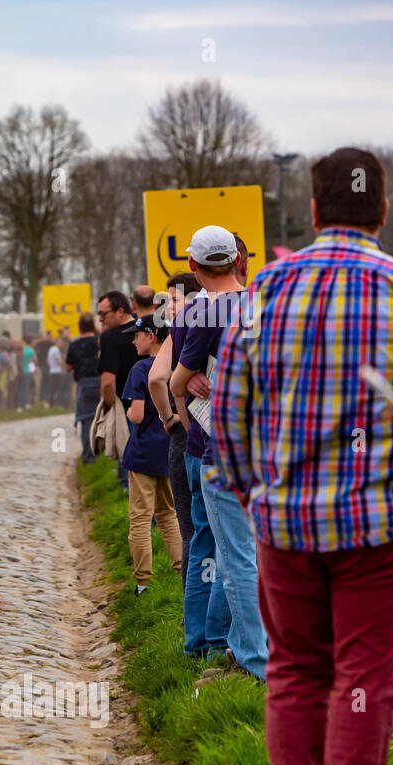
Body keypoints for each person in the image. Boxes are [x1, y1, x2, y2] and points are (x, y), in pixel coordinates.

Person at [214, 147, 393, 765]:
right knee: (366, 675)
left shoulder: (265, 293)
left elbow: (230, 409)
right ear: (383, 213)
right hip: (379, 524)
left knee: (296, 669)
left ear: (315, 210)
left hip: (285, 519)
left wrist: (251, 490)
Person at [171, 225, 268, 683]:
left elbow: (174, 380)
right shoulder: (265, 303)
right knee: (263, 553)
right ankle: (249, 647)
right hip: (269, 443)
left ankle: (254, 659)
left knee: (234, 559)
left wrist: (184, 385)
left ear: (193, 265)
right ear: (237, 259)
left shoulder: (203, 313)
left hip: (222, 445)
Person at [146, 271, 201, 592]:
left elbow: (157, 378)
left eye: (174, 300)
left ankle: (192, 614)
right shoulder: (221, 324)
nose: (167, 308)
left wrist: (169, 418)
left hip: (185, 437)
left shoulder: (177, 334)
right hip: (220, 434)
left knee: (191, 530)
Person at [120, 316, 182, 595]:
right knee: (169, 514)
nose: (134, 341)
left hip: (143, 452)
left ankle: (143, 581)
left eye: (137, 335)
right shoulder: (177, 364)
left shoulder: (141, 369)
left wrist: (129, 414)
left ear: (151, 335)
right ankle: (181, 569)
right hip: (169, 448)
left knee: (140, 518)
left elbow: (136, 415)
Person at [97, 291, 139, 489]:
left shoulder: (110, 338)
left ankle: (139, 515)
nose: (100, 319)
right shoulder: (146, 327)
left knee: (132, 464)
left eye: (103, 314)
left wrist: (110, 407)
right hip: (159, 406)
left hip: (127, 408)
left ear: (120, 311)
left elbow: (107, 382)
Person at [65, 314, 100, 463]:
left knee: (86, 421)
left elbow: (68, 367)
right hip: (102, 382)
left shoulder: (74, 344)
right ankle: (103, 452)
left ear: (79, 328)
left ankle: (88, 457)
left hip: (84, 384)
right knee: (101, 418)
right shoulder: (100, 342)